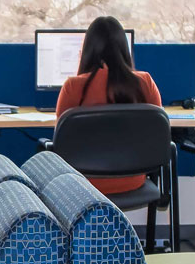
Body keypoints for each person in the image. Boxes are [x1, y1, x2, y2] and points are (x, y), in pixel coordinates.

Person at [54, 15, 163, 195]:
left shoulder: (73, 86)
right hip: (132, 179)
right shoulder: (145, 82)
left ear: (87, 50)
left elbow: (60, 138)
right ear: (124, 49)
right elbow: (158, 133)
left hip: (84, 182)